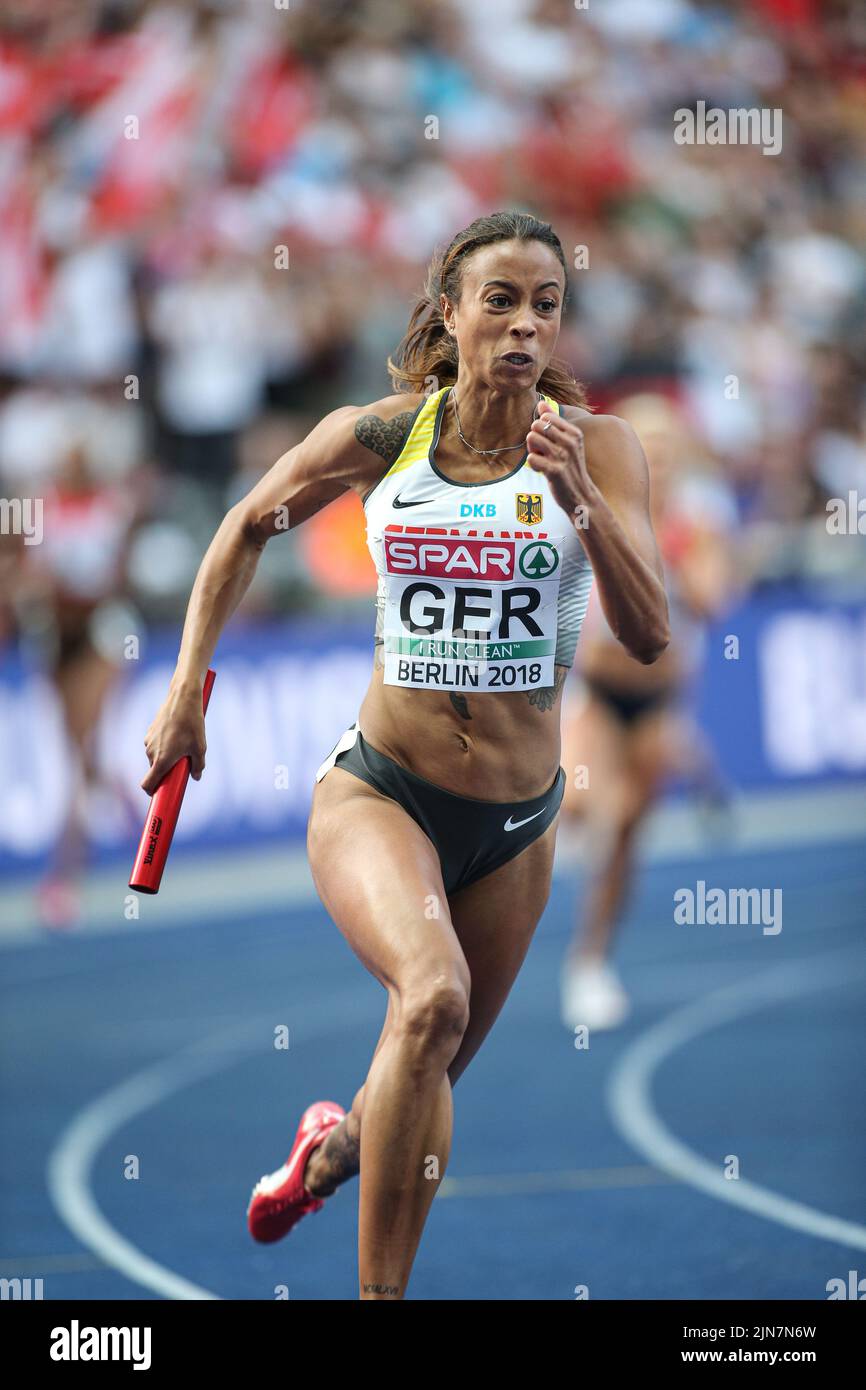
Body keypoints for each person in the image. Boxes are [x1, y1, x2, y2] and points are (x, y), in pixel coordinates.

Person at [140, 211, 670, 1300]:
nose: (524, 326)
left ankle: (322, 1157)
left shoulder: (599, 447)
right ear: (449, 313)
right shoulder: (385, 439)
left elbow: (651, 628)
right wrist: (188, 687)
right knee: (430, 1001)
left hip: (517, 821)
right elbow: (246, 523)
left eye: (545, 306)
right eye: (500, 301)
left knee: (414, 1078)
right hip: (380, 790)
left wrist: (579, 500)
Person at [558, 393, 735, 1030]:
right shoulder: (590, 510)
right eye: (645, 451)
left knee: (626, 831)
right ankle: (693, 763)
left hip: (659, 698)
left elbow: (715, 603)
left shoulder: (698, 524)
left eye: (666, 453)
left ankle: (590, 961)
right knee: (585, 806)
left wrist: (674, 554)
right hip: (600, 694)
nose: (655, 464)